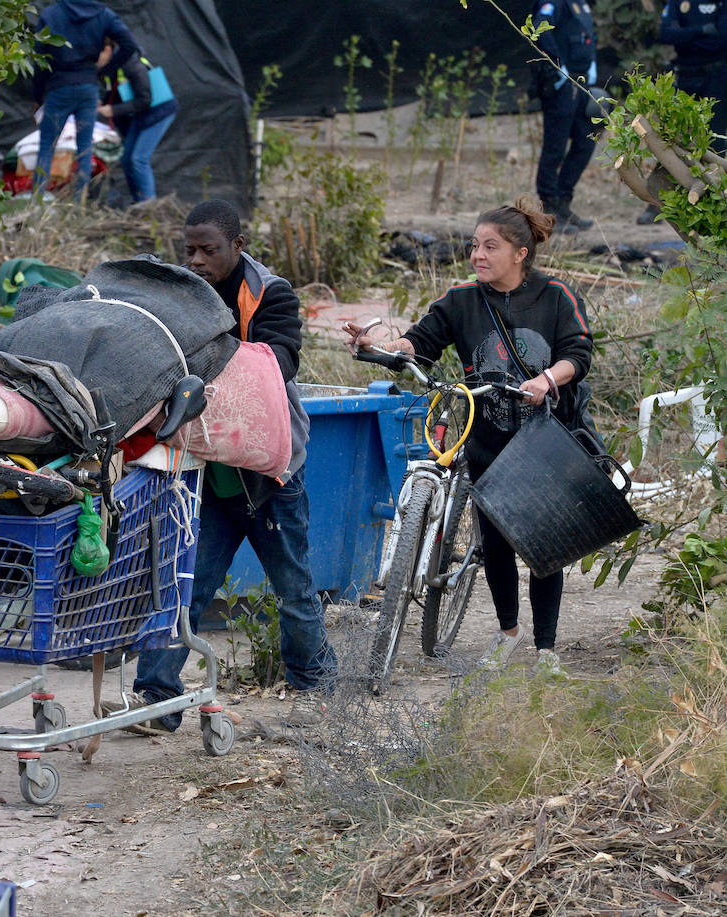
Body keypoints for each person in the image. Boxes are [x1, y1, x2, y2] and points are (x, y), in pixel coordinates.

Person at [342, 196, 594, 678]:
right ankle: (508, 634)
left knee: (544, 542)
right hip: (486, 434)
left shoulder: (556, 295)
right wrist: (378, 346)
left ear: (520, 253)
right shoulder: (461, 299)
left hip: (542, 437)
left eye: (490, 247)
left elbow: (578, 354)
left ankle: (546, 649)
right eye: (474, 245)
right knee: (495, 539)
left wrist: (546, 380)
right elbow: (420, 340)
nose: (477, 255)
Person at [122, 199, 338, 731]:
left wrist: (206, 359)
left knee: (293, 587)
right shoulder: (178, 291)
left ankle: (317, 687)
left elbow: (277, 363)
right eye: (188, 249)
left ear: (237, 248)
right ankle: (157, 698)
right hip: (205, 466)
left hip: (267, 469)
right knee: (187, 585)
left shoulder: (271, 294)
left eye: (208, 250)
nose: (195, 260)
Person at [31, 0, 136, 200]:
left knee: (46, 147)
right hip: (88, 88)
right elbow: (129, 44)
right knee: (84, 149)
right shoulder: (103, 13)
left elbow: (39, 59)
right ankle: (78, 205)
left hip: (58, 88)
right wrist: (105, 71)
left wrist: (37, 97)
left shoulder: (51, 14)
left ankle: (36, 204)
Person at [642, 0, 727, 223]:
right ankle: (662, 201)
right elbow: (666, 34)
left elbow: (720, 40)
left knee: (715, 142)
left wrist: (687, 36)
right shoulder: (679, 1)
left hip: (716, 77)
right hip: (686, 77)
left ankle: (716, 204)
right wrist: (701, 31)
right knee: (673, 139)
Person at [530, 0, 600, 233]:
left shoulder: (580, 4)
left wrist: (591, 72)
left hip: (582, 83)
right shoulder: (554, 3)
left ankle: (563, 201)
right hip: (561, 84)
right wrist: (558, 66)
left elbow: (586, 38)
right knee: (555, 147)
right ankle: (548, 210)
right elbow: (540, 28)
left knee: (586, 141)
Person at [96, 39, 179, 205]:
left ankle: (149, 206)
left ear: (107, 50)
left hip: (159, 111)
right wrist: (104, 103)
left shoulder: (131, 64)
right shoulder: (111, 68)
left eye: (95, 55)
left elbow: (144, 99)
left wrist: (113, 110)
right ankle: (138, 202)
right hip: (140, 113)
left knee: (138, 158)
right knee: (127, 158)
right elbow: (115, 92)